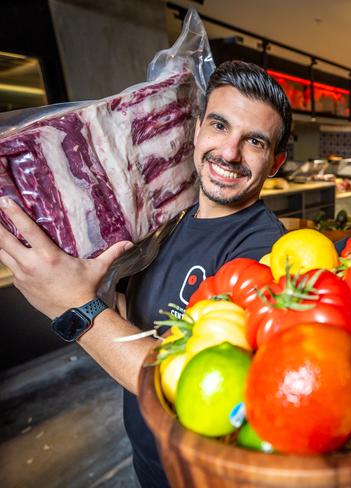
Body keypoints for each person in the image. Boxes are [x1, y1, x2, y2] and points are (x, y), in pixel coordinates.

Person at [0, 60, 292, 487]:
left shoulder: (262, 252)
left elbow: (194, 382)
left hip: (195, 474)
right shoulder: (171, 217)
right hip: (147, 458)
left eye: (254, 141)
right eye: (219, 126)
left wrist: (76, 309)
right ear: (197, 131)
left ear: (277, 161)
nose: (229, 152)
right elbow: (136, 320)